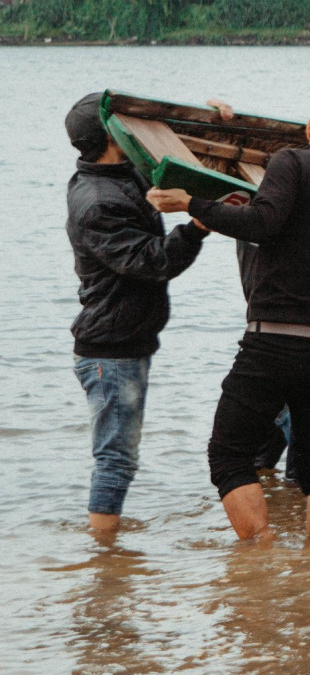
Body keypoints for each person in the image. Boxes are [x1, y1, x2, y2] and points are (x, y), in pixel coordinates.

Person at [147, 85, 310, 543]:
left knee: (227, 454)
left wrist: (191, 205)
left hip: (274, 339)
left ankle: (261, 559)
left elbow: (262, 222)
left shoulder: (290, 162)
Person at [65, 93, 211, 536]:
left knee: (119, 457)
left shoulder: (118, 173)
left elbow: (167, 155)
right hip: (110, 351)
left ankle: (107, 546)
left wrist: (213, 120)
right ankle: (104, 553)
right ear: (112, 136)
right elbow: (155, 261)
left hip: (125, 340)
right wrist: (197, 226)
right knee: (116, 458)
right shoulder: (98, 201)